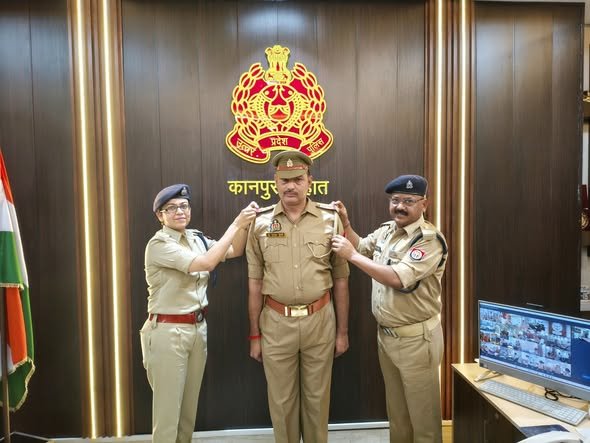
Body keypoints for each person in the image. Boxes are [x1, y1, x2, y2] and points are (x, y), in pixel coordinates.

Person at [331, 174, 448, 443]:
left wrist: (352, 256)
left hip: (417, 340)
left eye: (409, 201)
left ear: (424, 204)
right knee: (398, 416)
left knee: (424, 421)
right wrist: (346, 224)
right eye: (395, 200)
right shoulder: (387, 230)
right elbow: (361, 246)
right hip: (387, 337)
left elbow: (397, 277)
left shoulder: (428, 240)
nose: (400, 207)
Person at [246, 150, 350, 443]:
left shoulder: (330, 219)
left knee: (318, 399)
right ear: (275, 183)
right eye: (284, 180)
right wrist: (254, 335)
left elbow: (341, 279)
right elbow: (254, 283)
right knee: (281, 402)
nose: (290, 186)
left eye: (297, 179)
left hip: (321, 321)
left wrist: (342, 332)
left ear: (309, 181)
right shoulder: (260, 222)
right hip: (276, 323)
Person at [141, 183, 258, 443]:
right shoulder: (159, 244)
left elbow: (234, 250)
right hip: (168, 332)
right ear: (160, 215)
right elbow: (205, 263)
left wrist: (245, 224)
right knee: (168, 414)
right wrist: (236, 223)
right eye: (171, 208)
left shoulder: (197, 238)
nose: (179, 212)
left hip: (196, 329)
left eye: (184, 206)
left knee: (187, 412)